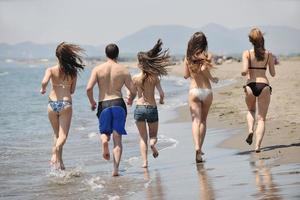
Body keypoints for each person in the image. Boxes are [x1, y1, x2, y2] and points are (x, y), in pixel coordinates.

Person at [86, 43, 136, 176]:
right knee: (117, 140)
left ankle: (103, 140)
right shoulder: (123, 69)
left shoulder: (97, 69)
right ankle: (115, 169)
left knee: (105, 133)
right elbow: (133, 90)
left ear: (106, 54)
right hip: (118, 103)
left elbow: (89, 88)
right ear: (117, 54)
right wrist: (131, 99)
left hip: (104, 104)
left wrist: (92, 102)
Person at [40, 42, 85, 170]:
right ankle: (56, 153)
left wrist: (43, 89)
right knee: (63, 136)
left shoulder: (50, 70)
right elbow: (72, 91)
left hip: (51, 104)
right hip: (66, 104)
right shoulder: (73, 72)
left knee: (56, 134)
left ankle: (60, 163)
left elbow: (44, 81)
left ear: (57, 56)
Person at [132, 39, 171, 168]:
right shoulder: (154, 77)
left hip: (139, 108)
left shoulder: (135, 78)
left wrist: (130, 99)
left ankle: (144, 162)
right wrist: (161, 101)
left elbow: (132, 93)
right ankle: (153, 145)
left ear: (139, 64)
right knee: (152, 136)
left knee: (142, 137)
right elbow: (161, 94)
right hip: (152, 108)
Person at [184, 32, 218, 163]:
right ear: (204, 43)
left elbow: (186, 75)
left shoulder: (187, 57)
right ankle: (200, 150)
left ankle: (197, 146)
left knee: (195, 121)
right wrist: (213, 78)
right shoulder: (207, 55)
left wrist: (192, 71)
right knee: (203, 121)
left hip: (194, 90)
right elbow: (204, 69)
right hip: (207, 90)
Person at [242, 28, 275, 153]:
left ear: (250, 40)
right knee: (261, 118)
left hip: (250, 85)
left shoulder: (247, 53)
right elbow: (273, 73)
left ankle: (250, 130)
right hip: (264, 86)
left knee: (250, 110)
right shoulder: (268, 54)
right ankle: (257, 146)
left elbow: (244, 71)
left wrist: (244, 72)